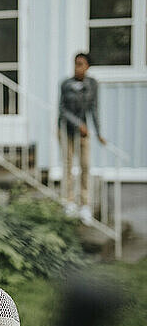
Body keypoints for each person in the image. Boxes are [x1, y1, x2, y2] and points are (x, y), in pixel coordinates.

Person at [58, 52, 106, 224]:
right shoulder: (66, 84)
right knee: (68, 164)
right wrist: (78, 124)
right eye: (75, 64)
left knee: (85, 165)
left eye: (81, 64)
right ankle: (69, 202)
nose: (77, 67)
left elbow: (94, 109)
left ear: (87, 67)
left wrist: (99, 133)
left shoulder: (92, 84)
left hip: (83, 132)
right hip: (66, 129)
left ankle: (85, 205)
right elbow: (62, 109)